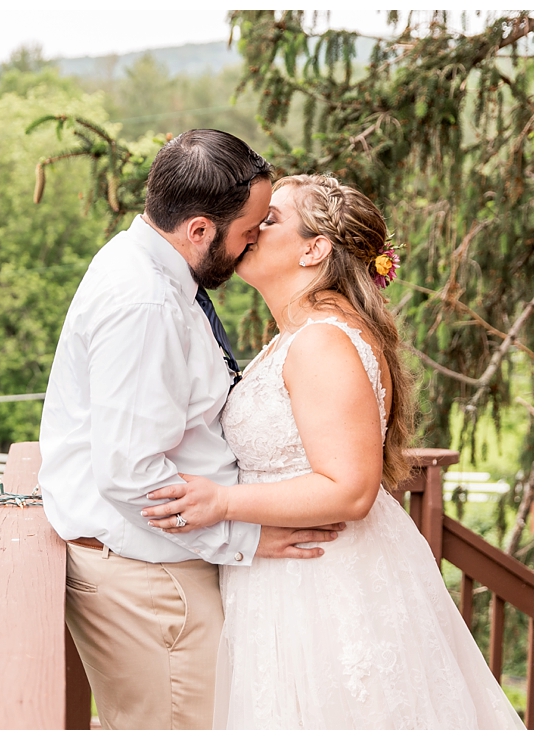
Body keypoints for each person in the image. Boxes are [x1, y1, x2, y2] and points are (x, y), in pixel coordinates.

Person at [140, 174, 525, 729]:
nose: (247, 229)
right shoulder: (302, 334)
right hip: (290, 575)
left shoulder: (322, 340)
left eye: (268, 220)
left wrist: (221, 503)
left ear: (315, 249)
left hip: (323, 583)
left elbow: (349, 488)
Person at [37, 130, 343, 731]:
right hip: (153, 586)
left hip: (164, 567)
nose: (253, 240)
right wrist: (245, 538)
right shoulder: (145, 305)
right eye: (249, 229)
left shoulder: (151, 270)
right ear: (200, 229)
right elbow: (132, 473)